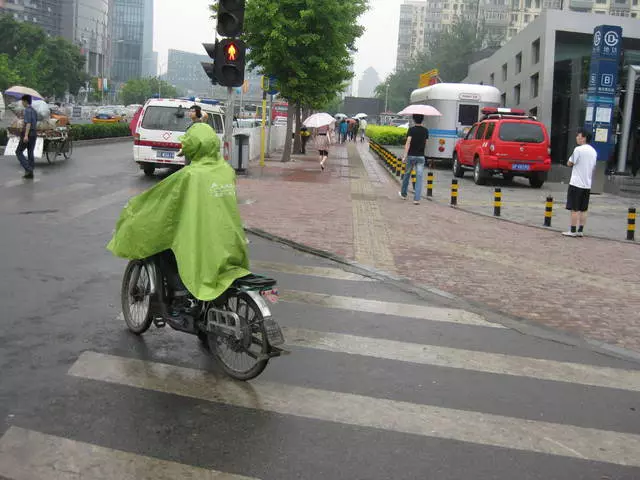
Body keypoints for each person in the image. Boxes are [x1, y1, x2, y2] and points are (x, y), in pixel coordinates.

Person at [107, 122, 251, 302]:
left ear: (192, 148)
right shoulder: (226, 171)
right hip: (230, 239)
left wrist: (137, 207)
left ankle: (179, 291)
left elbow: (162, 198)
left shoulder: (190, 175)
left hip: (203, 239)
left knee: (167, 249)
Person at [562, 128, 598, 237]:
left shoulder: (578, 150)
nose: (577, 138)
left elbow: (569, 163)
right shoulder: (593, 151)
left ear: (584, 138)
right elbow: (593, 167)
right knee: (583, 209)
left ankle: (572, 230)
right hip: (587, 184)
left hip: (576, 183)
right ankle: (580, 230)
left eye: (579, 136)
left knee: (574, 208)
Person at [399, 114, 429, 205]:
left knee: (407, 175)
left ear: (414, 120)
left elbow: (408, 143)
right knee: (419, 177)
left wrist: (404, 155)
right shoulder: (425, 131)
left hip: (411, 156)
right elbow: (426, 143)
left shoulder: (411, 130)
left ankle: (404, 194)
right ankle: (416, 199)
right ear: (422, 120)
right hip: (421, 157)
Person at [15, 94, 38, 179]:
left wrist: (25, 136)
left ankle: (28, 168)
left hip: (28, 134)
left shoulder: (27, 110)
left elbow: (28, 123)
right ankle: (30, 173)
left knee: (18, 151)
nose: (22, 103)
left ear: (25, 101)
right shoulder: (34, 110)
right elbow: (35, 121)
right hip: (34, 134)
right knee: (30, 152)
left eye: (22, 102)